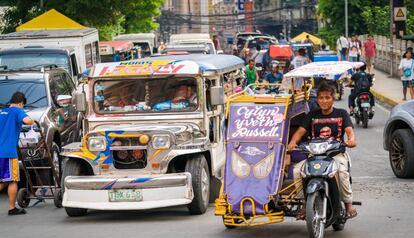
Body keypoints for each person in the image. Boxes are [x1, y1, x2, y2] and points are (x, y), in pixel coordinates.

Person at [288, 82, 357, 219]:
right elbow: (300, 131)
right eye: (321, 98)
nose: (324, 101)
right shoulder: (312, 115)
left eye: (327, 97)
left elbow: (349, 131)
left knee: (342, 172)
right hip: (314, 155)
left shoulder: (342, 113)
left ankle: (348, 204)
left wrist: (351, 140)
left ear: (333, 98)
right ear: (317, 99)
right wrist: (292, 142)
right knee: (297, 171)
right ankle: (304, 204)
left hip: (335, 154)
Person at [0, 92, 34, 215]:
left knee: (3, 180)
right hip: (8, 152)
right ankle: (11, 208)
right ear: (21, 103)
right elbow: (27, 120)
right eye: (23, 106)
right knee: (11, 180)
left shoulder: (2, 112)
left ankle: (12, 207)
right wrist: (32, 121)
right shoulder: (17, 111)